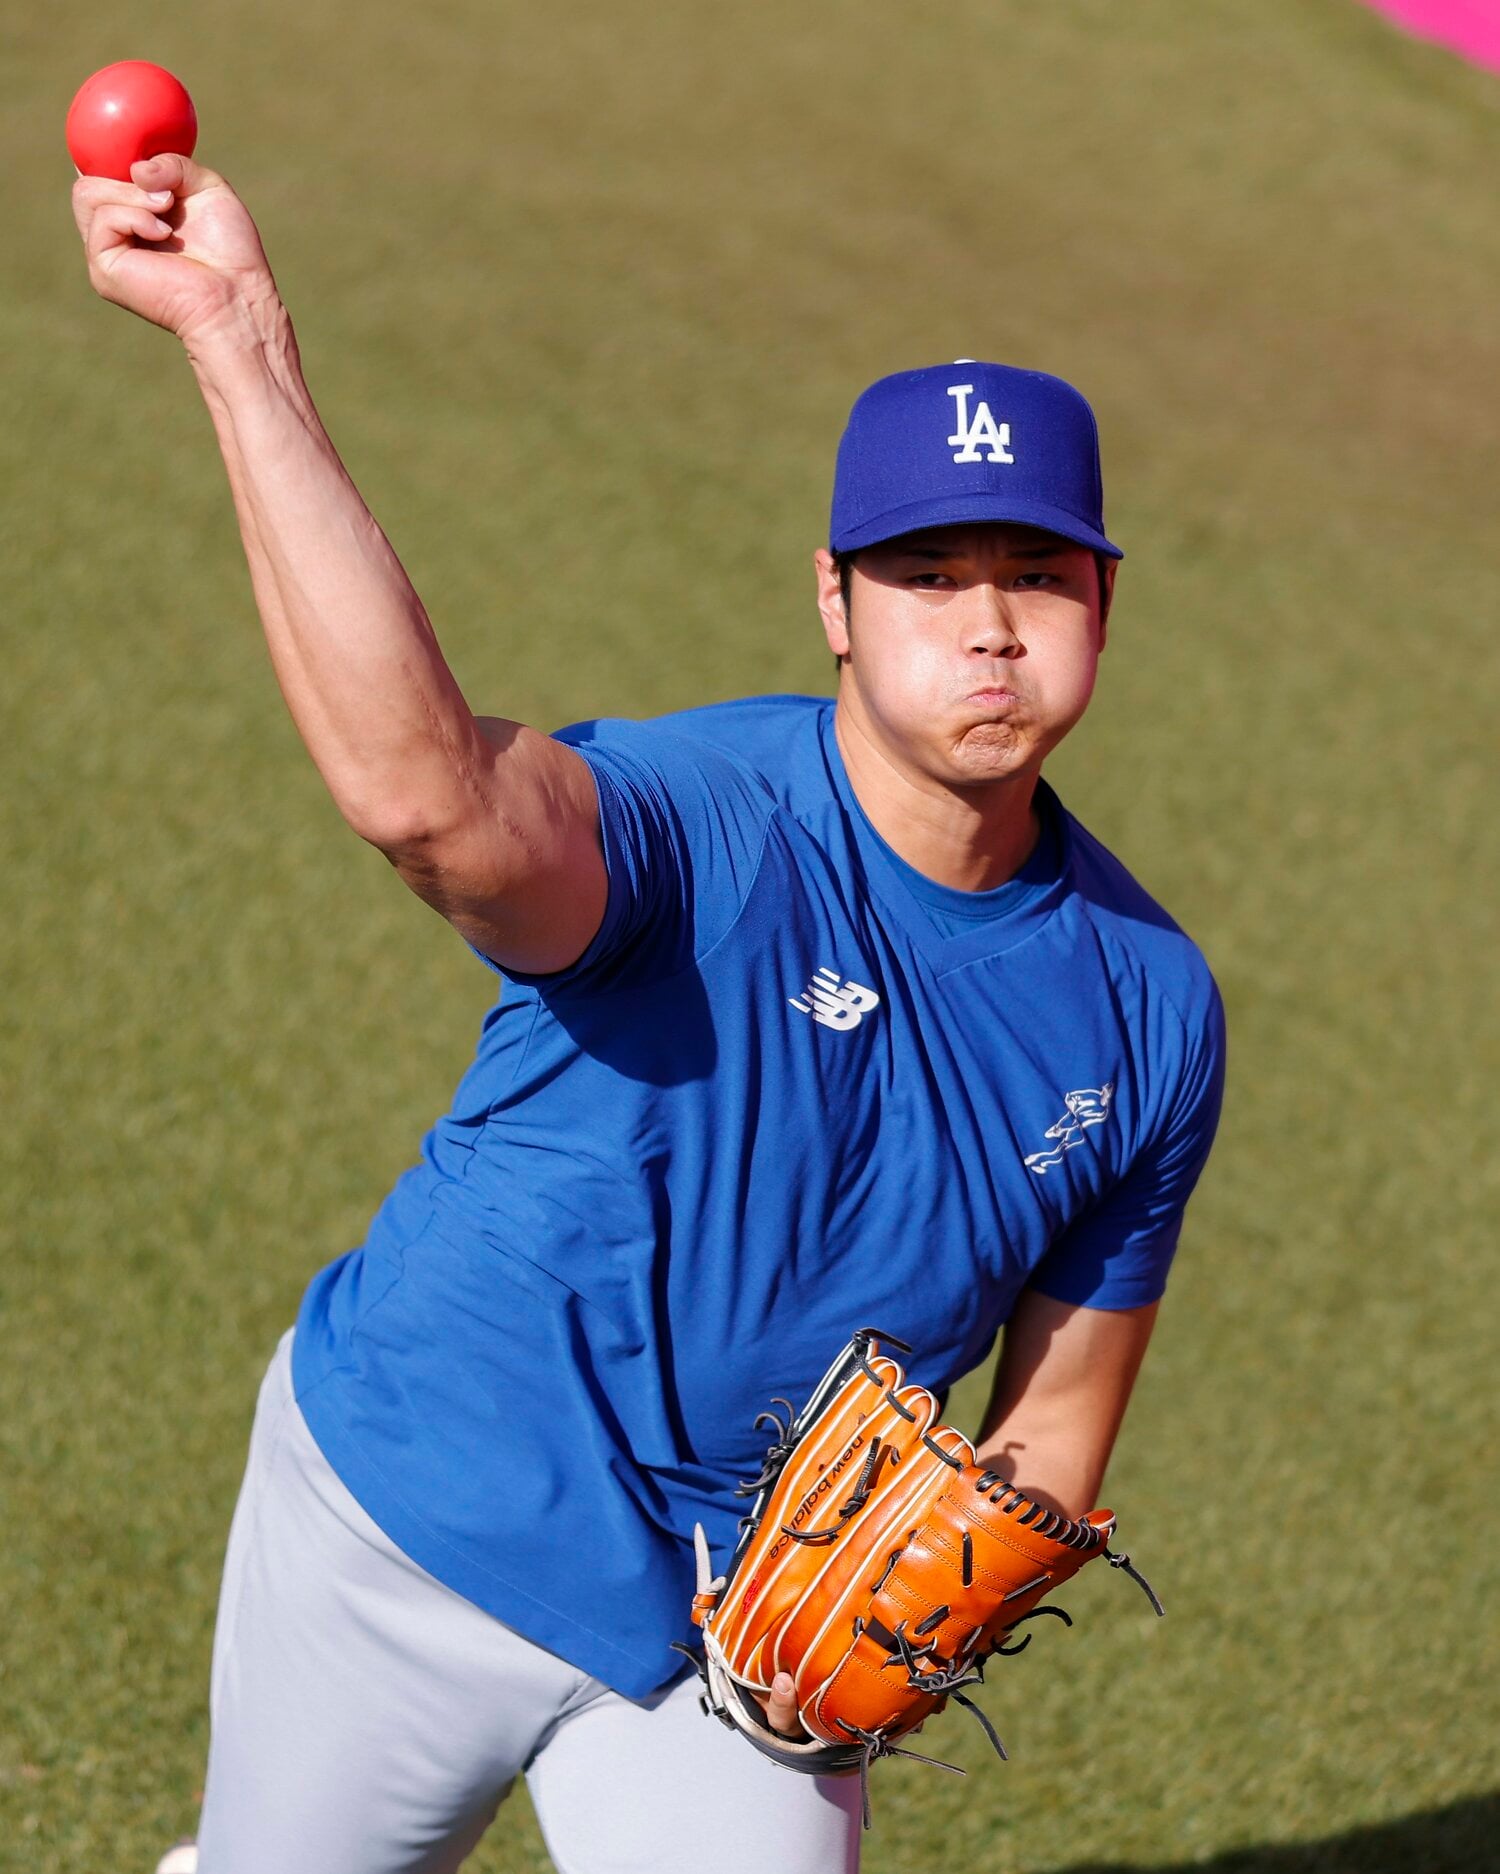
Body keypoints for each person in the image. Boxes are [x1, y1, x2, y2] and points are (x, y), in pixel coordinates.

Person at [72, 153, 1226, 1874]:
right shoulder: (698, 821)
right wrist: (241, 341)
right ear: (835, 600)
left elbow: (1058, 1415)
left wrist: (924, 1604)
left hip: (737, 1638)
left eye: (1038, 574)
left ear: (1104, 605)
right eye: (927, 573)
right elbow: (432, 804)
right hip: (422, 1509)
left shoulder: (1148, 1004)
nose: (988, 625)